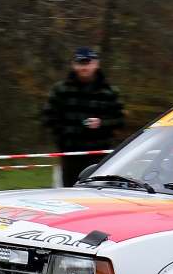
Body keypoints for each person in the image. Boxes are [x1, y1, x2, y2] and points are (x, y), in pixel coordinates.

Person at [42, 47, 126, 187]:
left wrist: (101, 123)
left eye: (88, 63)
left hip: (100, 155)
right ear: (74, 65)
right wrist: (63, 137)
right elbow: (49, 117)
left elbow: (120, 120)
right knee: (71, 192)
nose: (84, 67)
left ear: (97, 64)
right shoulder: (61, 89)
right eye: (81, 63)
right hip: (70, 155)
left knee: (100, 191)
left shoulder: (109, 91)